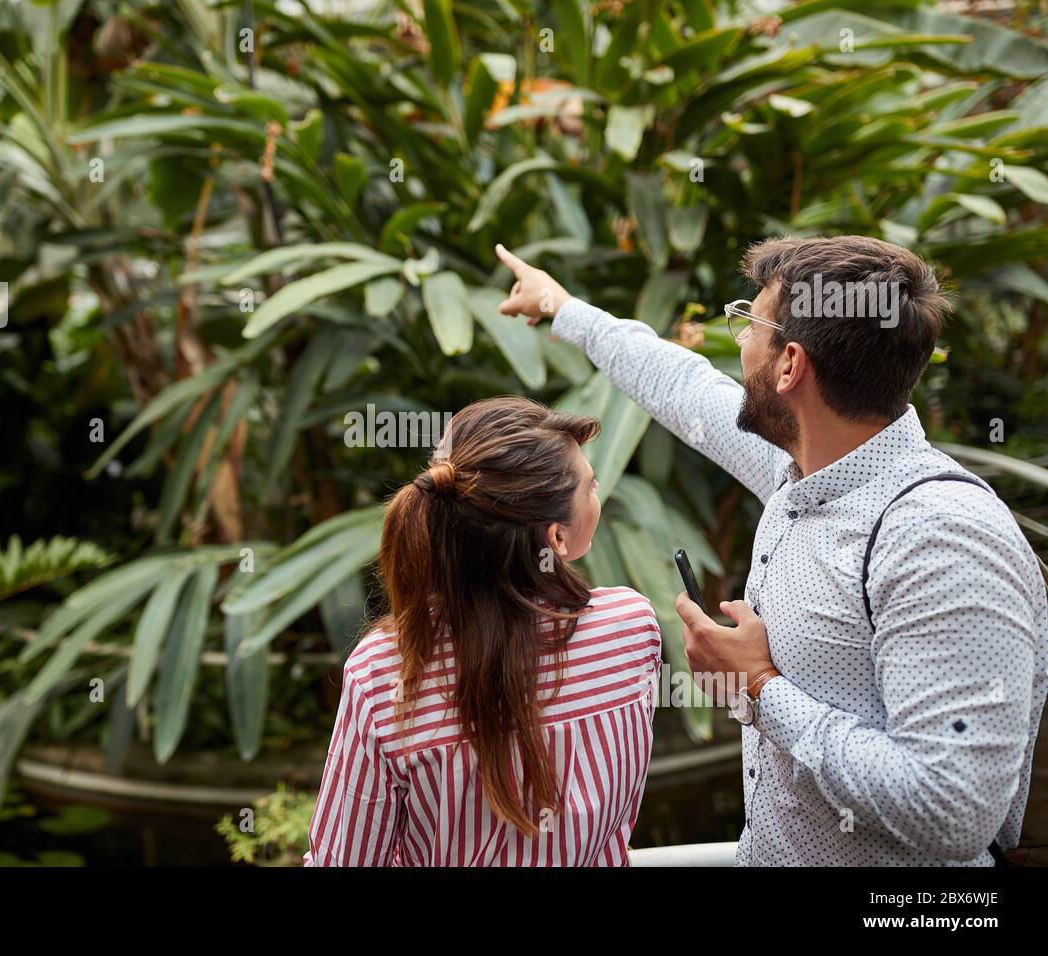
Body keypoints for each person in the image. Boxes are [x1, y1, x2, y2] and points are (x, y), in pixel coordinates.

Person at [496, 236, 1048, 866]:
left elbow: (953, 812)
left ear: (789, 365)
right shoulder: (805, 468)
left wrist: (758, 686)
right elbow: (680, 384)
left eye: (748, 323)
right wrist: (563, 307)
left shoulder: (939, 537)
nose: (737, 342)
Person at [303, 396, 661, 865]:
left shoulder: (386, 672)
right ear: (556, 538)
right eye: (591, 487)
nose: (599, 493)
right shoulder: (631, 629)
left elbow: (341, 859)